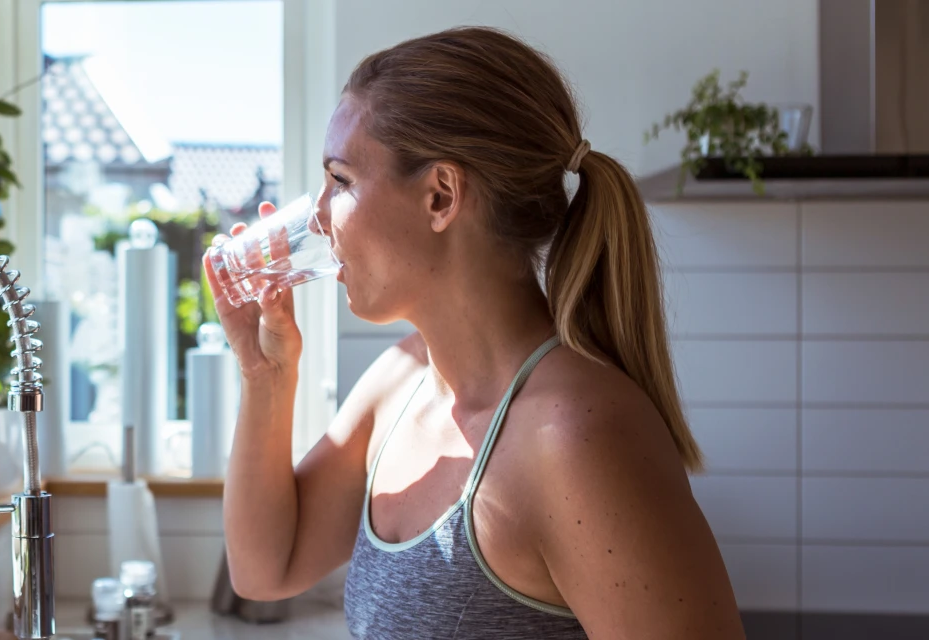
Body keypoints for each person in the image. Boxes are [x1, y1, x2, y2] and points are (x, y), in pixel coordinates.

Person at [205, 27, 745, 639]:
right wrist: (265, 376)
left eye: (341, 180)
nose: (320, 215)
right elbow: (264, 569)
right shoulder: (400, 382)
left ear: (441, 196)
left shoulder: (574, 437)